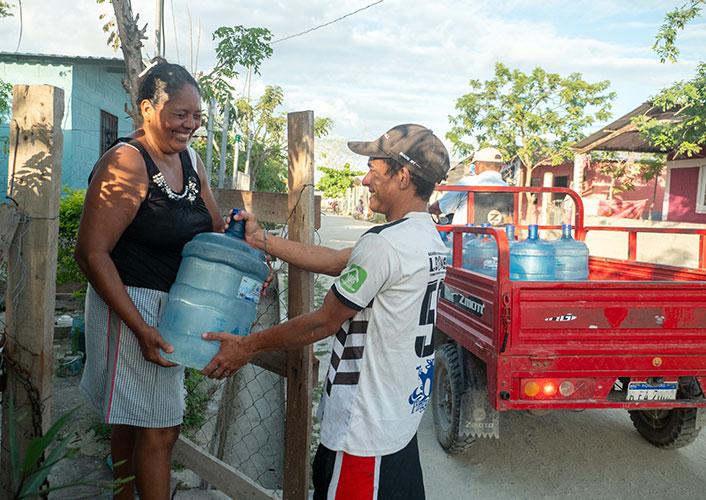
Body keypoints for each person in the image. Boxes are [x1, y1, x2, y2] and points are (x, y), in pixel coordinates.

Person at [201, 124, 450, 499]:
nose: (365, 180)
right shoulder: (426, 238)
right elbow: (336, 261)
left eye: (374, 170)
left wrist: (247, 346)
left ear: (402, 177)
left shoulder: (386, 246)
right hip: (398, 418)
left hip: (363, 433)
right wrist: (259, 238)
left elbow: (322, 321)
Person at [74, 60, 225, 500]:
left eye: (196, 115)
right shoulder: (126, 162)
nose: (191, 125)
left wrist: (247, 258)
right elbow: (91, 253)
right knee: (162, 427)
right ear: (146, 108)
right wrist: (140, 328)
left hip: (171, 308)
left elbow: (214, 228)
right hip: (130, 306)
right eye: (180, 114)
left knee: (133, 417)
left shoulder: (191, 161)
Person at [428, 146, 508, 225]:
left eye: (474, 165)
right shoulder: (508, 188)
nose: (474, 168)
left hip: (466, 236)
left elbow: (439, 208)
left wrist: (428, 209)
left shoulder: (466, 183)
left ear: (480, 165)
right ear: (501, 166)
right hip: (499, 236)